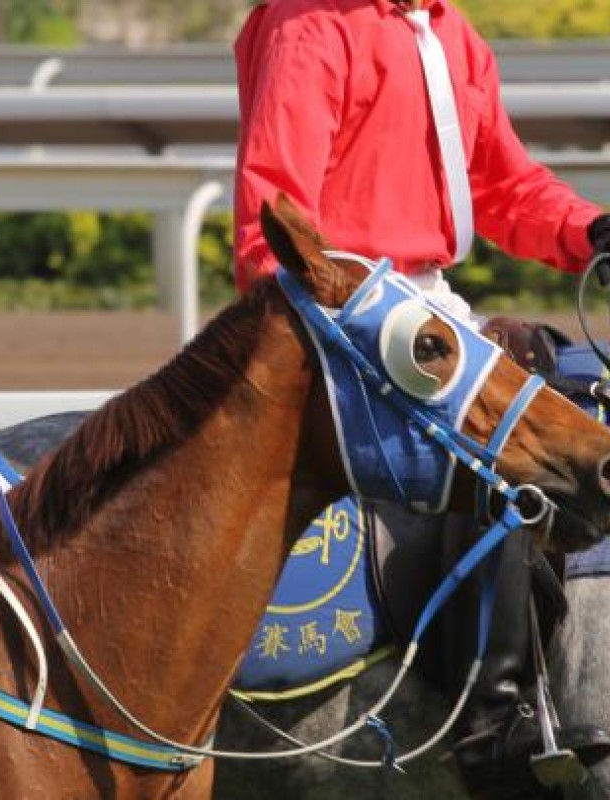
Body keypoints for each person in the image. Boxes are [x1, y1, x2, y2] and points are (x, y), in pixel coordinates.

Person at [232, 0, 610, 795]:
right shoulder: (311, 28)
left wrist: (591, 230)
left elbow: (503, 186)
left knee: (575, 399)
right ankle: (490, 729)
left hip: (430, 309)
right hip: (344, 318)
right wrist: (352, 328)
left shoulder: (452, 33)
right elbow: (272, 222)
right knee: (511, 455)